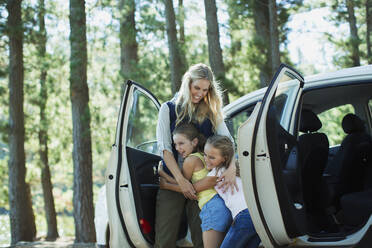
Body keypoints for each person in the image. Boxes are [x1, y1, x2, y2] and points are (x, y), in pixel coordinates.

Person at [155, 63, 237, 248]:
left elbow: (229, 143)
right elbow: (165, 149)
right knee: (164, 240)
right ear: (187, 83)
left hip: (203, 184)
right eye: (197, 87)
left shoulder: (211, 112)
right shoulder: (168, 109)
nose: (200, 93)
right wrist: (182, 182)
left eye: (205, 90)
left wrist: (231, 168)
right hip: (174, 181)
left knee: (203, 240)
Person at [159, 124, 232, 248]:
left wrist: (163, 178)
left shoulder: (190, 161)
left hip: (211, 207)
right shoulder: (202, 157)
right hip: (221, 205)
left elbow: (184, 187)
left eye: (181, 143)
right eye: (175, 144)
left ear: (194, 142)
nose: (177, 148)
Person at [204, 135, 261, 248]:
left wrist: (166, 184)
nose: (206, 159)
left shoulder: (216, 173)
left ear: (224, 158)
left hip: (245, 216)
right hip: (259, 216)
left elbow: (193, 188)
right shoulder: (239, 168)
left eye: (212, 157)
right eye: (205, 155)